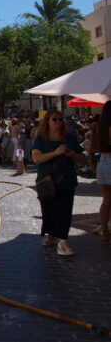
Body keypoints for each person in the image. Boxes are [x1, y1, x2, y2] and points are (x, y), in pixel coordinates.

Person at [32, 110, 85, 256]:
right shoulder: (41, 139)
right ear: (47, 121)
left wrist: (72, 154)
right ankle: (51, 234)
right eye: (55, 119)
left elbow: (81, 158)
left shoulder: (69, 138)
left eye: (61, 119)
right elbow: (36, 158)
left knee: (64, 211)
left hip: (66, 180)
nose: (58, 122)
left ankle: (62, 241)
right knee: (48, 210)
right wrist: (55, 153)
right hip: (47, 181)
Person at [89, 101, 111, 244]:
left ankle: (105, 232)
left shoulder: (98, 127)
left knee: (106, 201)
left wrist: (92, 164)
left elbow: (91, 147)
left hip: (103, 161)